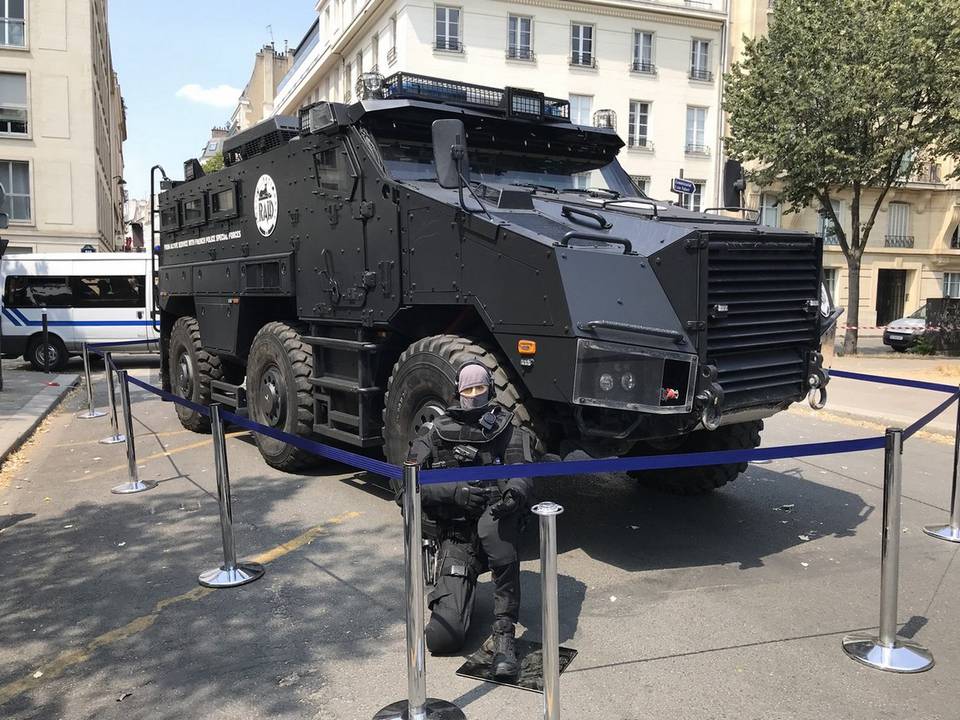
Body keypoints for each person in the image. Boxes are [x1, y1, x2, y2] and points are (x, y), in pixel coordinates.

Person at [404, 360, 534, 678]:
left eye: (480, 388)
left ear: (489, 389)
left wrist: (514, 495)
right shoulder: (436, 430)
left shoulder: (508, 428)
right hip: (457, 534)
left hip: (495, 522)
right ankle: (461, 593)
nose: (474, 395)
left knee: (499, 538)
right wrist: (454, 492)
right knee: (441, 638)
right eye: (468, 389)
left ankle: (504, 634)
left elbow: (522, 471)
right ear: (458, 392)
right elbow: (405, 483)